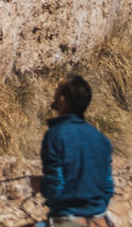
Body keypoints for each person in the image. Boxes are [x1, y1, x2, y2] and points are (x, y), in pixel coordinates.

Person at [29, 75, 114, 225]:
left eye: (58, 89)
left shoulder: (55, 135)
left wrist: (39, 185)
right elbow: (107, 188)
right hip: (100, 221)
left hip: (68, 220)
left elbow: (56, 187)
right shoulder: (101, 139)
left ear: (62, 99)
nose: (54, 93)